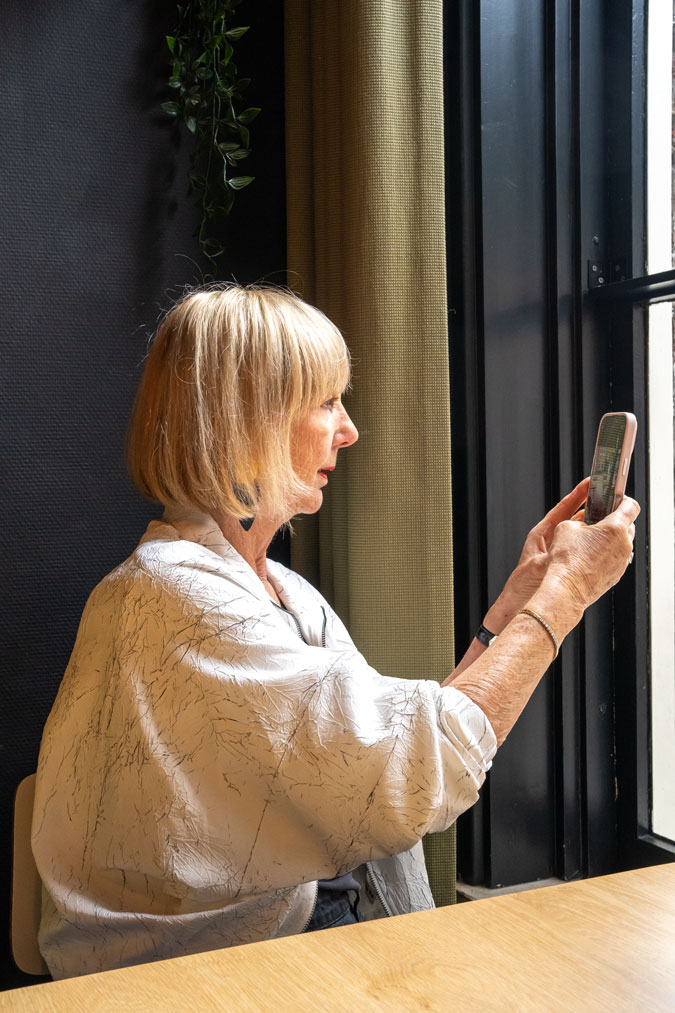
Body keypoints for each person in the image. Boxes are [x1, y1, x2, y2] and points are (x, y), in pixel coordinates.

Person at [32, 285, 638, 979]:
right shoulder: (180, 601)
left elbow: (383, 757)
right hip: (210, 974)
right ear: (246, 419)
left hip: (303, 939)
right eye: (325, 402)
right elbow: (416, 772)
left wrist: (516, 600)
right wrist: (562, 598)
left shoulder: (282, 593)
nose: (347, 430)